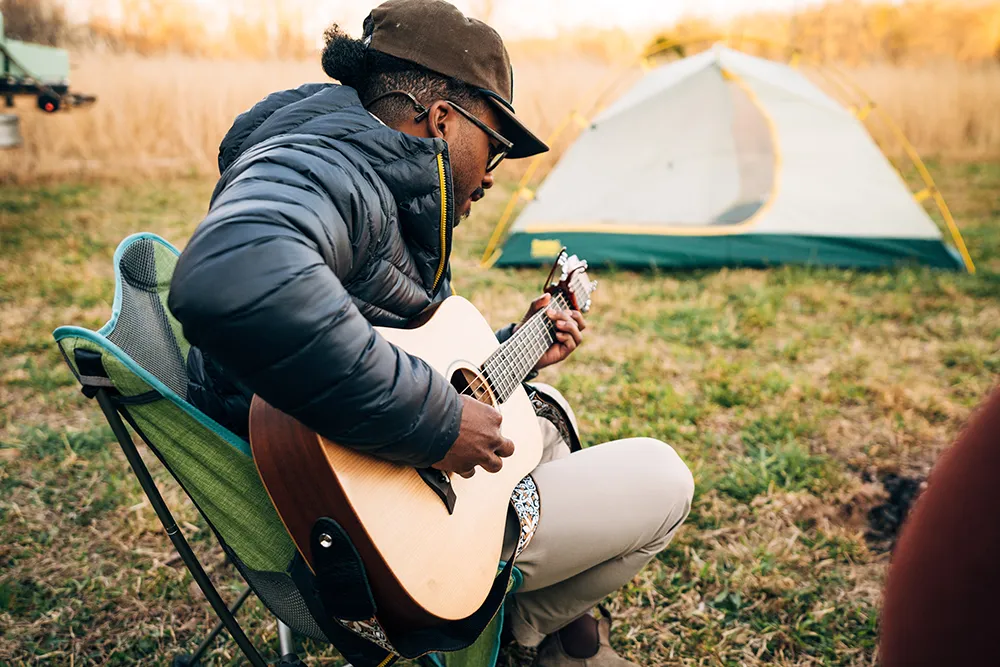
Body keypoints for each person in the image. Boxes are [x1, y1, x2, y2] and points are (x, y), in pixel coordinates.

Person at [167, 2, 694, 665]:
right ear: (441, 118)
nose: (495, 174)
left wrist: (518, 343)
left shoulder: (365, 170)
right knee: (664, 478)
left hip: (364, 479)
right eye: (496, 144)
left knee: (544, 418)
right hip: (368, 531)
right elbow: (231, 276)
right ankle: (527, 636)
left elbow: (396, 346)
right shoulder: (332, 168)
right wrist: (441, 419)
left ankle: (554, 633)